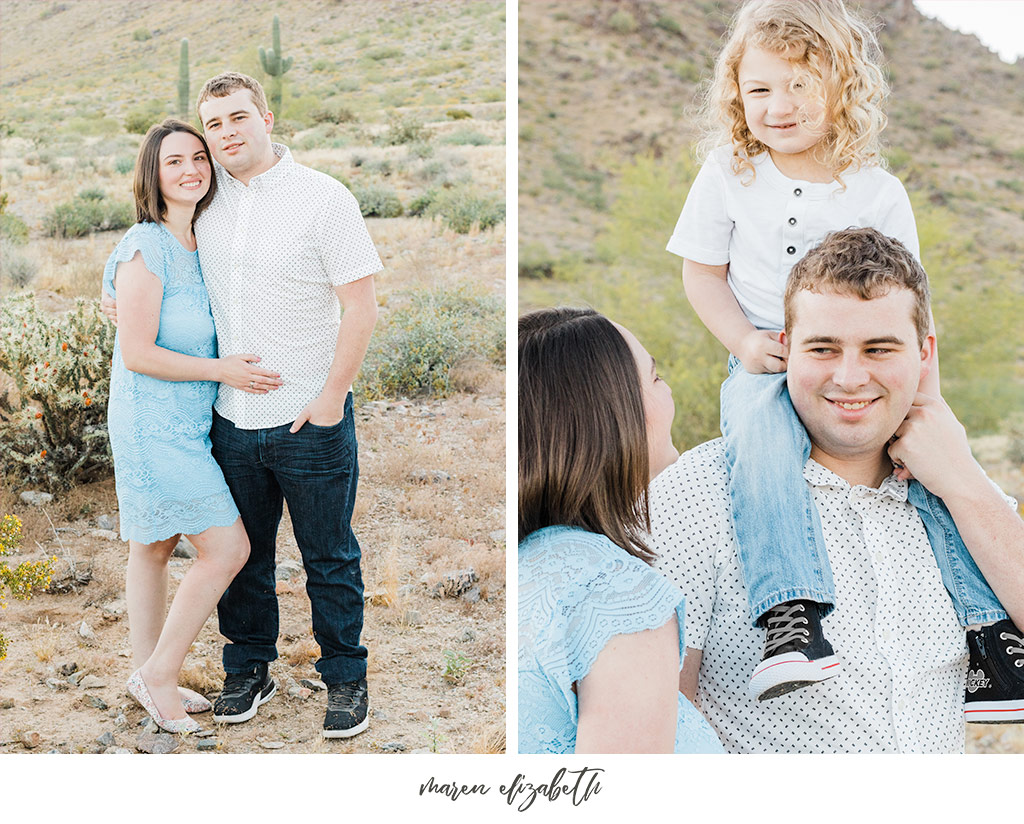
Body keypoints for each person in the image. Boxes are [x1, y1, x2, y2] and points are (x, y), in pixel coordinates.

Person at [665, 0, 1017, 707]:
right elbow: (700, 272)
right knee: (759, 454)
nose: (779, 105)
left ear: (843, 88)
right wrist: (743, 341)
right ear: (737, 93)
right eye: (760, 89)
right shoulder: (729, 172)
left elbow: (914, 304)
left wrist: (925, 401)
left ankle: (991, 638)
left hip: (872, 365)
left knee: (930, 469)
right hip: (768, 361)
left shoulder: (878, 191)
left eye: (800, 85)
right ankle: (791, 618)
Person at [650, 228, 1024, 752]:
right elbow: (659, 718)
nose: (850, 378)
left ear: (924, 353)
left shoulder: (957, 488)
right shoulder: (696, 493)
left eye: (879, 348)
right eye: (823, 348)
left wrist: (962, 481)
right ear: (785, 348)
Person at [104, 73, 382, 738]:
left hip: (307, 416)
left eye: (237, 119)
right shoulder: (208, 199)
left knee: (330, 556)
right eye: (214, 125)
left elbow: (362, 306)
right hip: (228, 421)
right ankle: (248, 669)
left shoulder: (324, 198)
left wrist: (330, 400)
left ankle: (345, 679)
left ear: (267, 116)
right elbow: (147, 249)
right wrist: (109, 291)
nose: (225, 136)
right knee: (244, 558)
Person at [103, 119, 282, 733]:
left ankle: (149, 675)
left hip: (188, 423)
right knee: (228, 548)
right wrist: (223, 370)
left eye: (199, 158)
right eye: (174, 160)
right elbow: (137, 353)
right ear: (152, 173)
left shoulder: (201, 241)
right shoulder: (146, 245)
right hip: (152, 424)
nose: (190, 170)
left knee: (151, 547)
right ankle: (159, 674)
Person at [518, 307, 724, 754]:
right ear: (612, 415)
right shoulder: (619, 596)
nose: (667, 391)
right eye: (655, 377)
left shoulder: (526, 565)